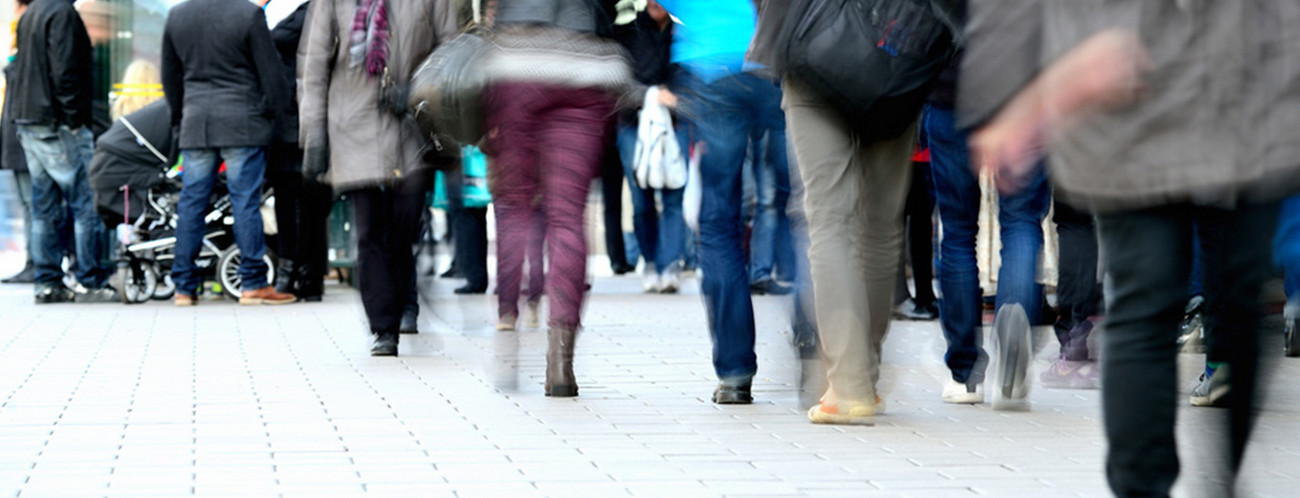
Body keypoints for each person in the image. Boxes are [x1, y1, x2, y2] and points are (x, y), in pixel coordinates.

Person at [963, 1, 1300, 494]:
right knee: (1228, 301)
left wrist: (999, 96)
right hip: (1204, 84)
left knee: (1152, 307)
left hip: (1144, 76)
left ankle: (1180, 484)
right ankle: (1213, 482)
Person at [483, 0, 629, 396]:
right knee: (568, 217)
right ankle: (560, 363)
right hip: (584, 66)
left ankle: (507, 321)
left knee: (515, 208)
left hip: (518, 63)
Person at [300, 0, 459, 356]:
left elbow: (449, 51)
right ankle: (384, 326)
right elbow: (313, 65)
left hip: (412, 125)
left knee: (405, 226)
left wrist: (421, 90)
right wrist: (314, 135)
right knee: (370, 230)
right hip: (353, 123)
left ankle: (406, 300)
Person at [657, 0, 785, 405]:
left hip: (711, 71)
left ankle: (734, 371)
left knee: (717, 222)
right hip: (774, 64)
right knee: (801, 208)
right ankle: (815, 342)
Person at [930, 52, 1051, 407]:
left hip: (953, 87)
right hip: (1024, 88)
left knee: (956, 232)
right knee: (1022, 220)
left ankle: (964, 373)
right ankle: (1015, 320)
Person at [161, 0, 296, 307]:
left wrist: (180, 119)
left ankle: (183, 286)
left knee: (191, 203)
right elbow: (271, 73)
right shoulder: (247, 13)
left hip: (196, 123)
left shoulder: (178, 15)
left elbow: (170, 77)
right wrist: (275, 113)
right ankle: (252, 284)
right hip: (243, 122)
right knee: (245, 202)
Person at [10, 0, 115, 303]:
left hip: (31, 119)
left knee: (44, 205)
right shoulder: (62, 13)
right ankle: (90, 278)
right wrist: (73, 120)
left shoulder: (34, 12)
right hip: (57, 122)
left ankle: (47, 281)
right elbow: (65, 69)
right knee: (85, 200)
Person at [613, 0, 684, 294]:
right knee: (641, 198)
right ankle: (651, 261)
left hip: (677, 124)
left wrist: (677, 99)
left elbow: (691, 80)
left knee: (673, 197)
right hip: (633, 123)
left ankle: (670, 265)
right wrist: (652, 95)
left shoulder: (682, 35)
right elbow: (618, 81)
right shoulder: (627, 33)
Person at [266, 0, 330, 302]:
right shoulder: (280, 10)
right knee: (298, 199)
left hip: (302, 116)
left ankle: (301, 273)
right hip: (290, 119)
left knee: (307, 200)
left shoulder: (311, 10)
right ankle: (302, 272)